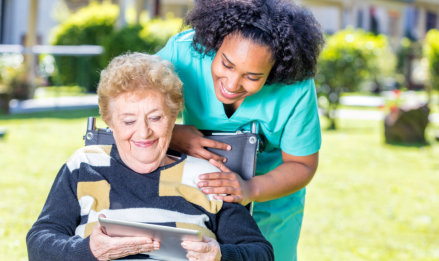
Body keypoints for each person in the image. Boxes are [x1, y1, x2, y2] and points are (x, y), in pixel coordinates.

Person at [26, 53, 274, 261]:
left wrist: (220, 254)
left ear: (174, 117)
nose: (143, 132)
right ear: (109, 121)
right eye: (128, 120)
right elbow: (39, 242)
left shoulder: (208, 177)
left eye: (155, 118)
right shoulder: (85, 165)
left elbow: (261, 253)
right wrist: (88, 250)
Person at [157, 0, 325, 260]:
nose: (232, 84)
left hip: (271, 200)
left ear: (276, 70)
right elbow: (128, 108)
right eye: (226, 64)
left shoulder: (295, 86)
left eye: (253, 77)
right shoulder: (182, 53)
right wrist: (173, 135)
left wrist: (250, 189)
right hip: (196, 191)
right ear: (215, 42)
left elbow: (303, 164)